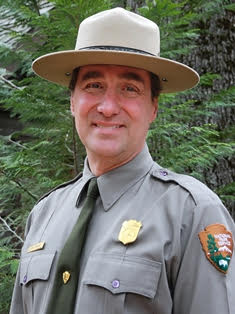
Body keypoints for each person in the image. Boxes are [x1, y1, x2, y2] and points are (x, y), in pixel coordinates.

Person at [10, 7, 234, 314]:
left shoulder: (192, 213)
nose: (108, 107)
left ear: (153, 107)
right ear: (73, 101)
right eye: (93, 86)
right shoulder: (44, 214)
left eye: (130, 89)